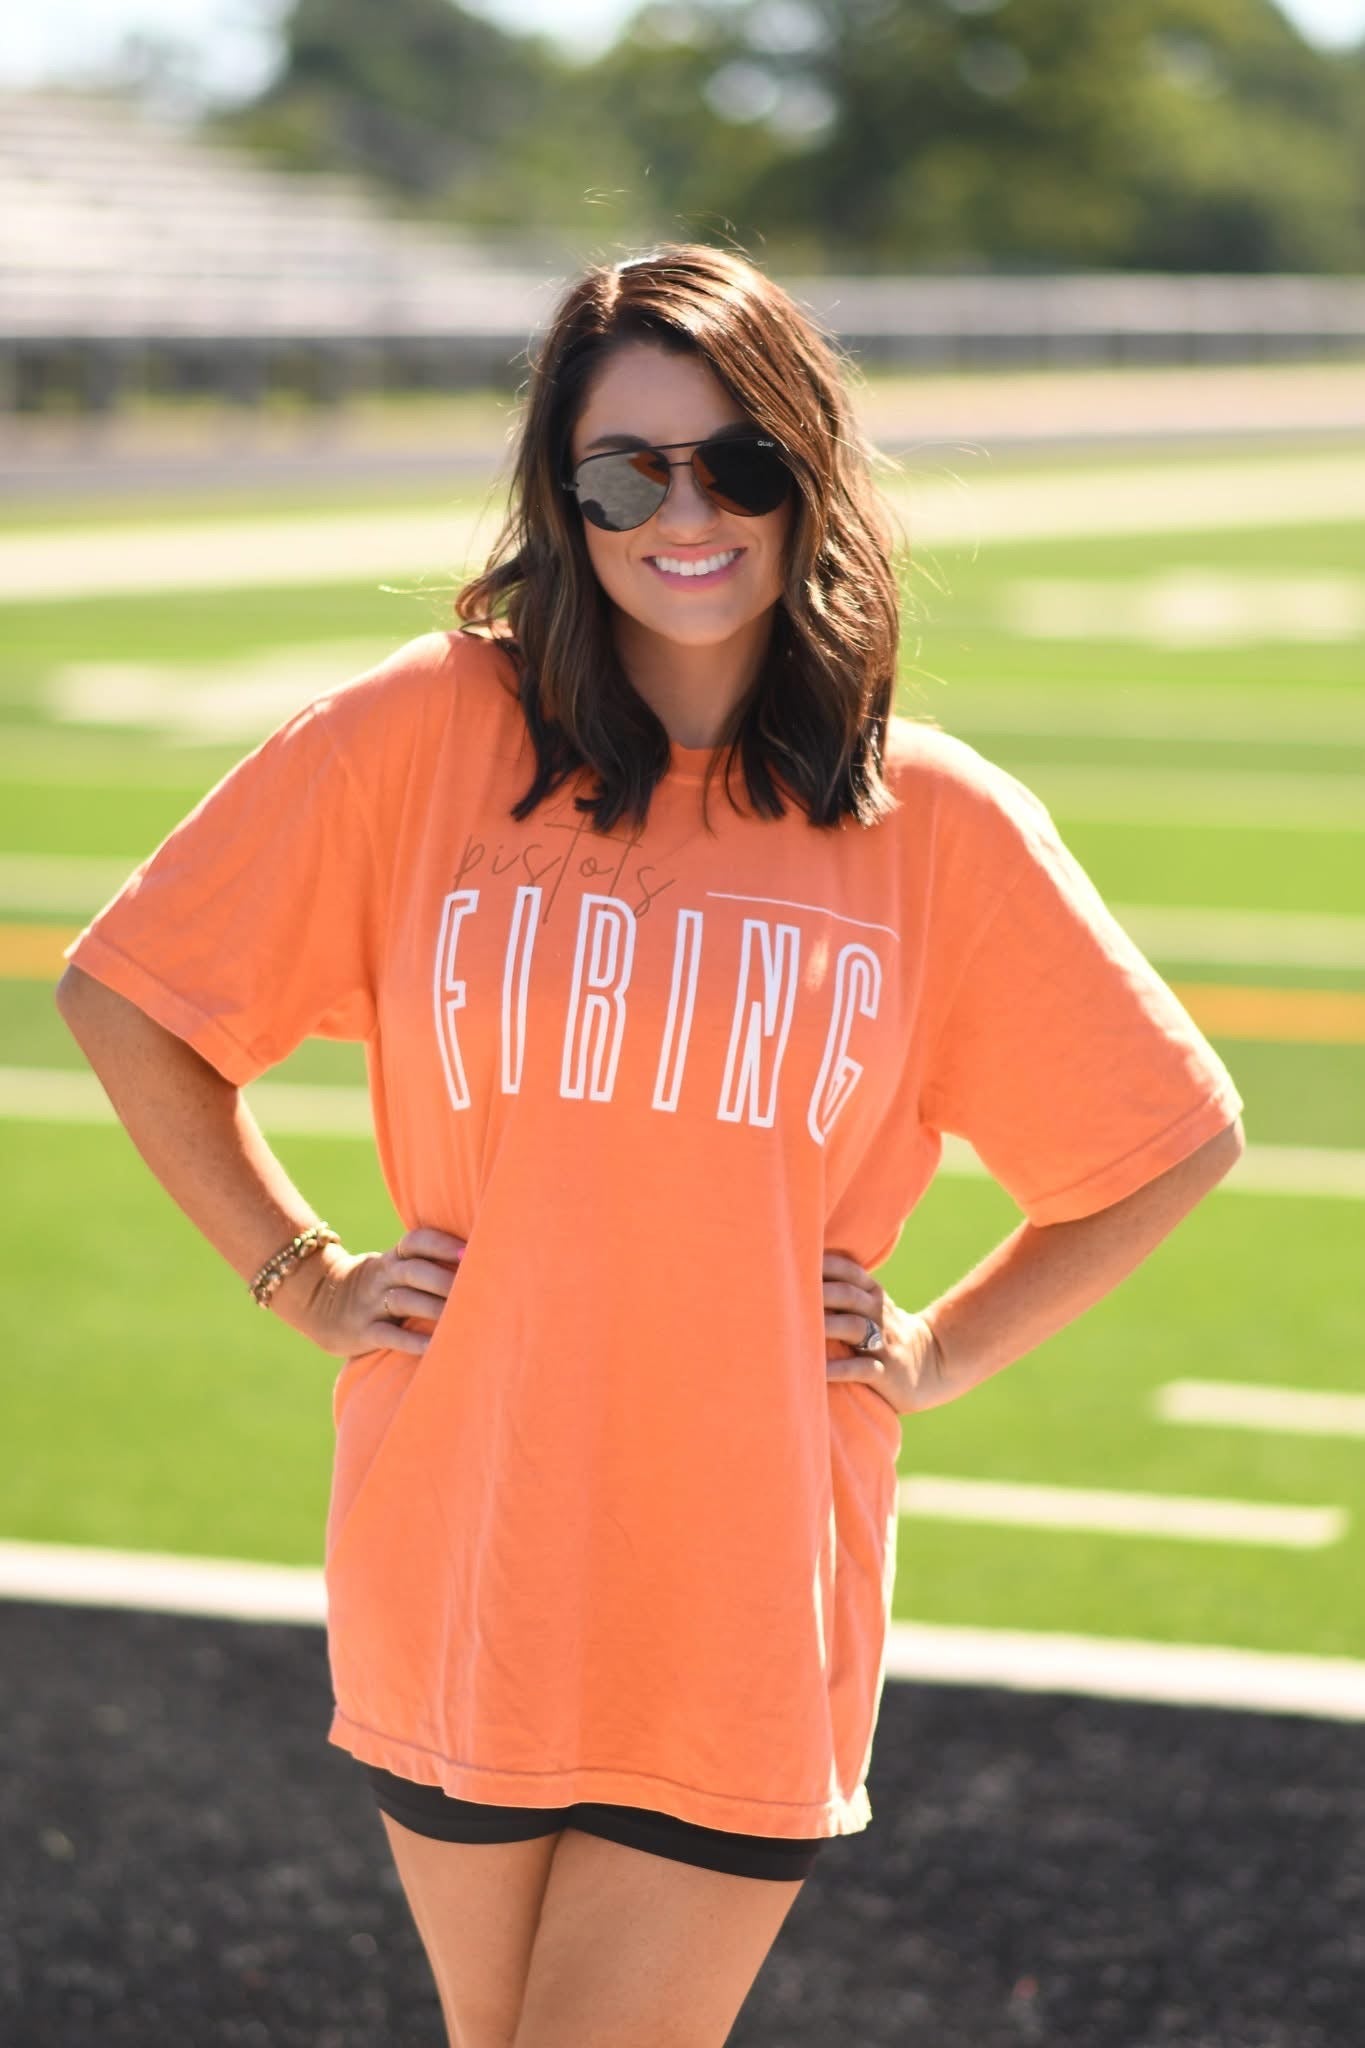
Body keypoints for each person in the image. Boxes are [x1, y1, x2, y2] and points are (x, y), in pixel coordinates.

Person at [55, 242, 1245, 2048]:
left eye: (735, 463)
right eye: (625, 473)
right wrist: (302, 1273)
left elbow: (1166, 1138)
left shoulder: (931, 821)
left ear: (807, 474)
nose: (683, 515)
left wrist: (940, 1349)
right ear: (564, 495)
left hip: (741, 1589)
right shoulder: (425, 732)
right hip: (461, 1547)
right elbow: (130, 996)